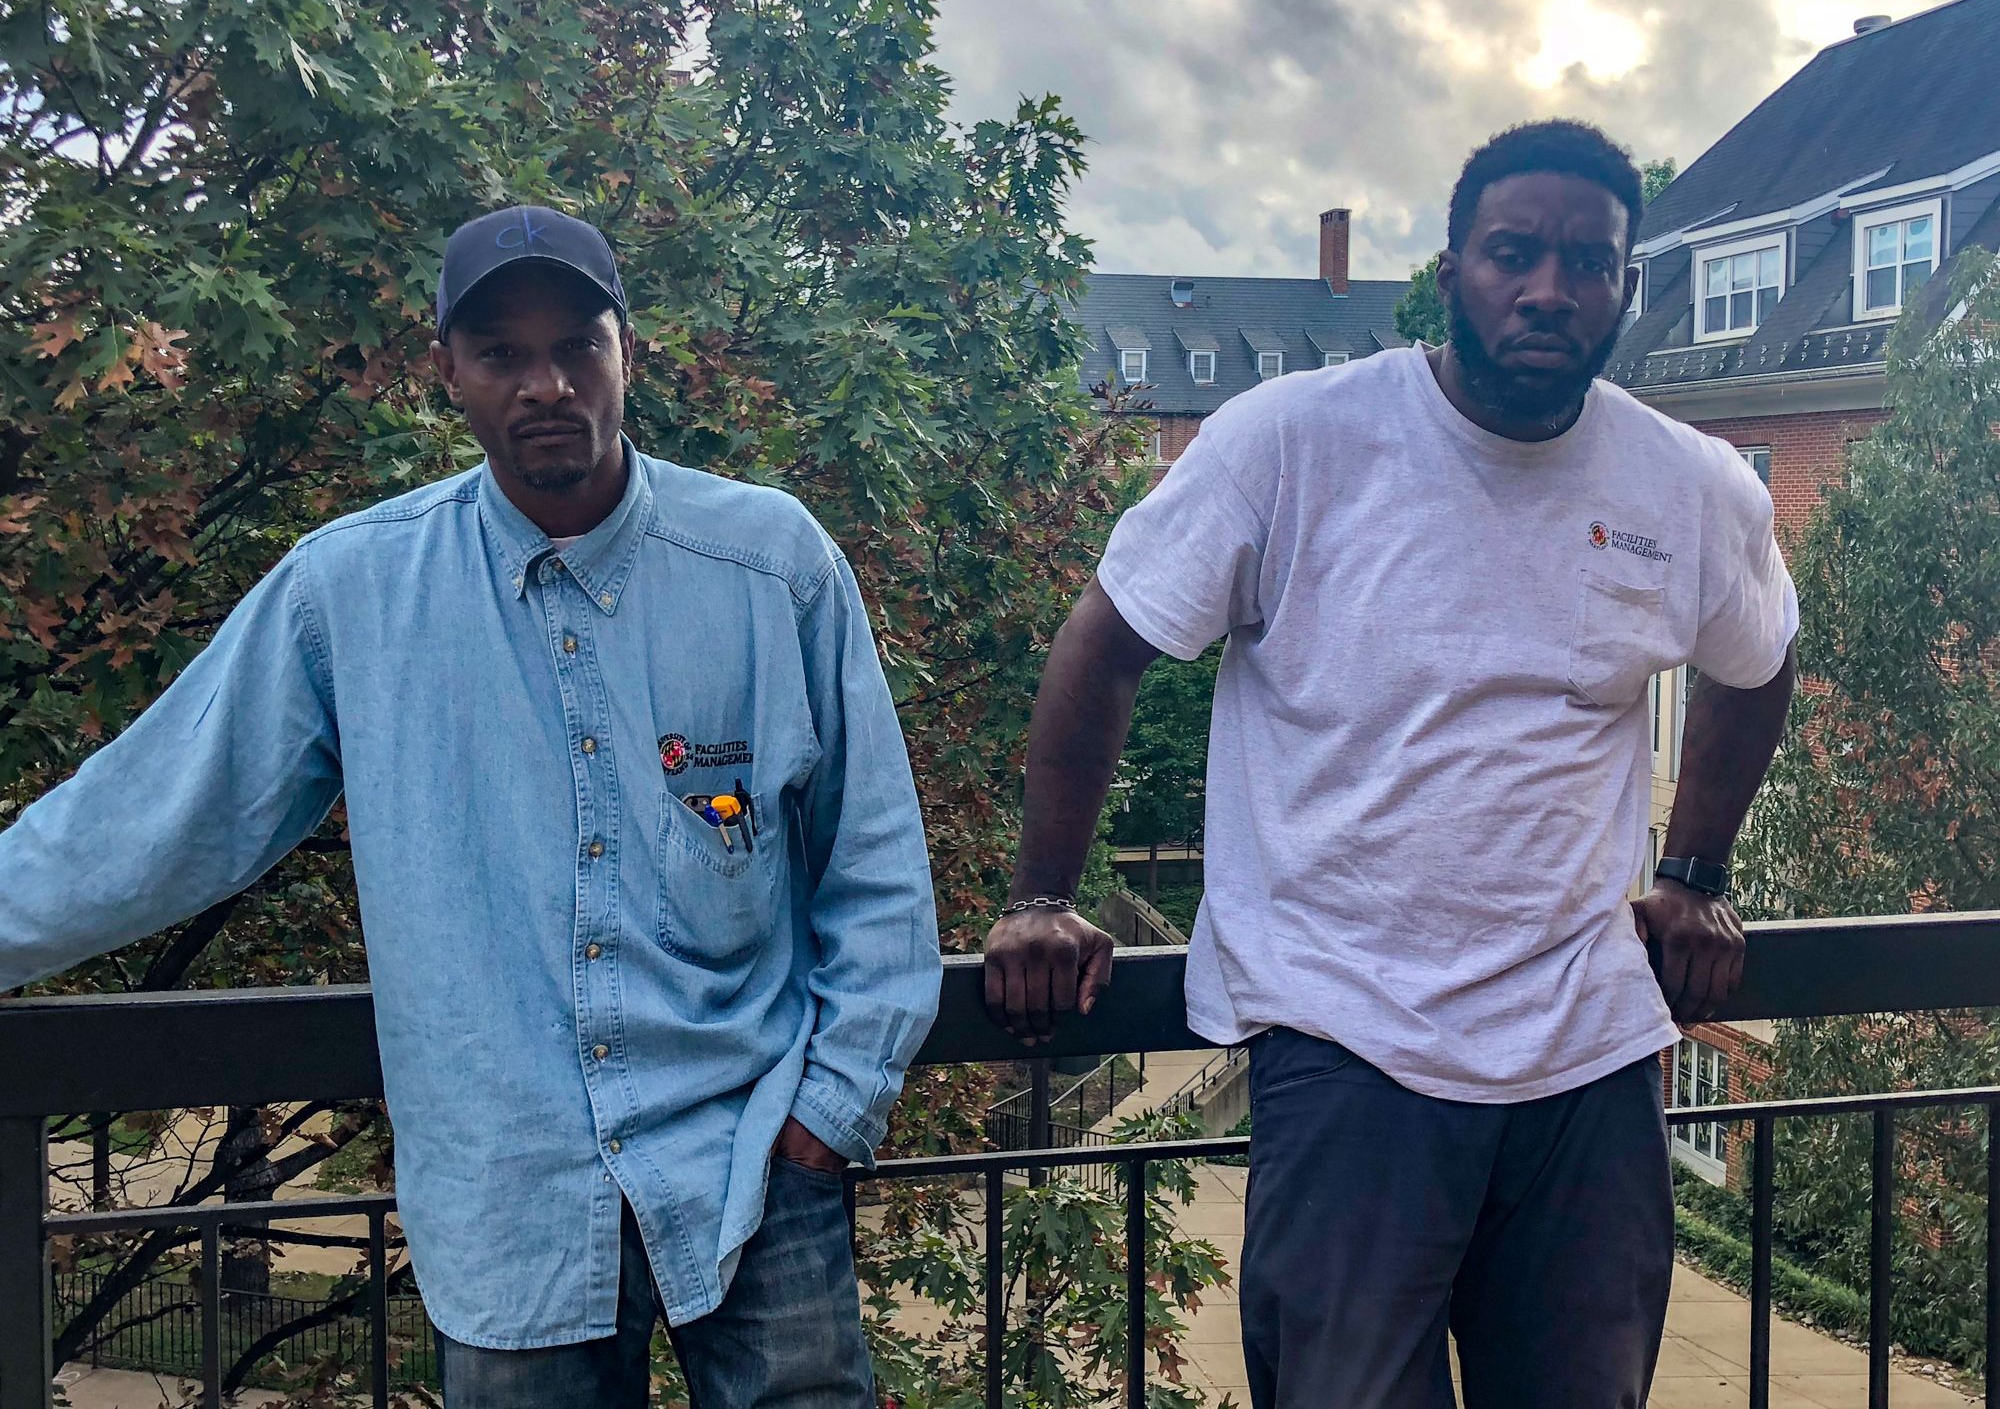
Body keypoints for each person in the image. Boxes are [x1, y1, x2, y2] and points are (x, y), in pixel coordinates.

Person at [0, 204, 941, 1408]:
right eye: (502, 353)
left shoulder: (771, 564)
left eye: (577, 345)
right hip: (511, 1186)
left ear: (629, 350)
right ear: (445, 369)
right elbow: (155, 815)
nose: (546, 384)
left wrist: (831, 1111)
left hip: (758, 1155)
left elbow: (873, 858)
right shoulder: (350, 591)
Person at [981, 122, 1797, 1409]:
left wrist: (1693, 869)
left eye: (1586, 263)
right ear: (1451, 269)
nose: (1547, 289)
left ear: (1625, 288)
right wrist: (1040, 896)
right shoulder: (1292, 442)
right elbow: (1105, 643)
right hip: (1346, 1043)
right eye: (1512, 254)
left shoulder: (1688, 484)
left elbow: (1757, 661)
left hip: (1585, 1055)